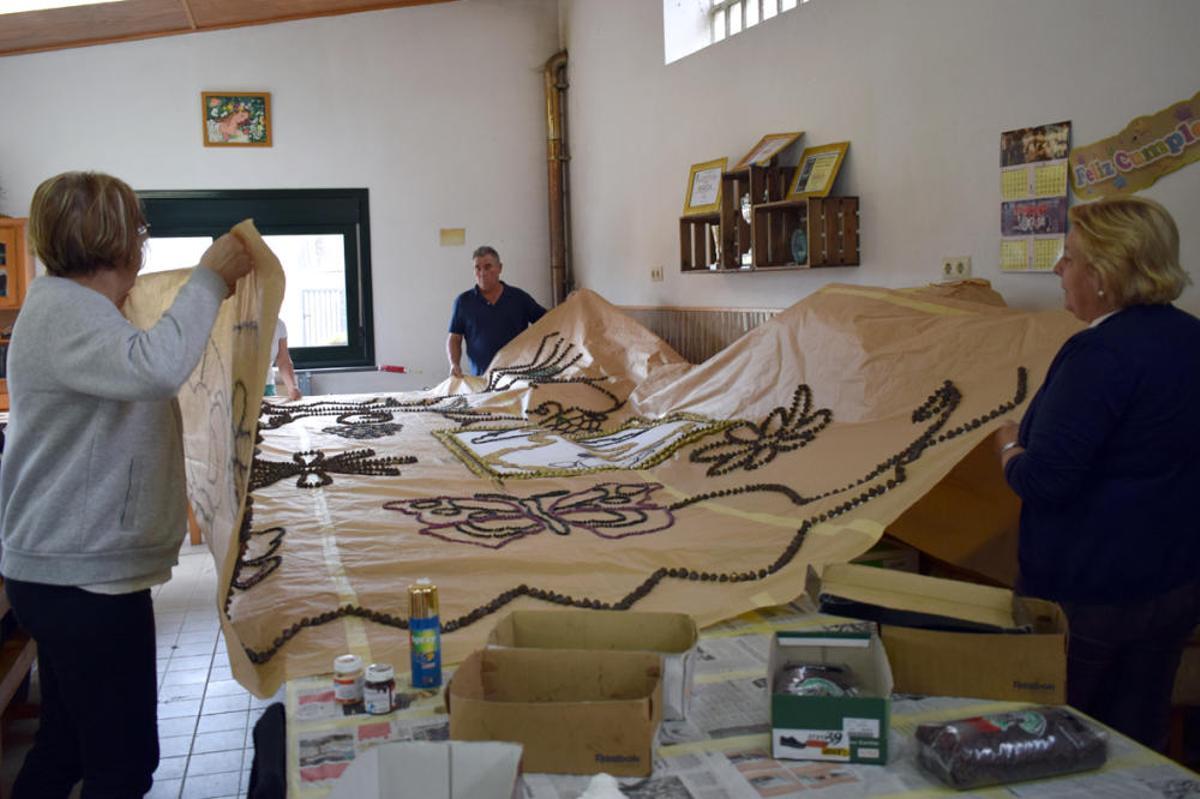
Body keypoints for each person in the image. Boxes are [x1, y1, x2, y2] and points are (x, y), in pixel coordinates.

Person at [0, 171, 253, 797]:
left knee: (65, 746)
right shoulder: (65, 309)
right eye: (138, 229)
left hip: (69, 570)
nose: (142, 243)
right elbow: (157, 368)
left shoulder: (72, 308)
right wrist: (208, 279)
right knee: (122, 764)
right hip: (82, 578)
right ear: (118, 239)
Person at [993, 195, 1200, 752]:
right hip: (1173, 582)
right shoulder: (1191, 338)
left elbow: (1044, 481)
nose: (1058, 269)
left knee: (1056, 741)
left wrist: (1008, 444)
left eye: (1069, 257)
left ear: (1103, 276)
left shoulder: (1098, 355)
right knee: (1137, 742)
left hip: (1090, 594)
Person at [446, 245, 546, 377]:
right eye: (477, 268)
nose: (482, 273)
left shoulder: (519, 298)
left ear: (500, 268)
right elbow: (454, 338)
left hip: (518, 377)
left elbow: (548, 320)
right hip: (482, 379)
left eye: (488, 267)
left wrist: (569, 305)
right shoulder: (463, 302)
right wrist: (454, 364)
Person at [266, 318, 302, 400]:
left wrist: (292, 387)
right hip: (239, 386)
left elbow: (283, 360)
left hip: (267, 386)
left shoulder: (279, 325)